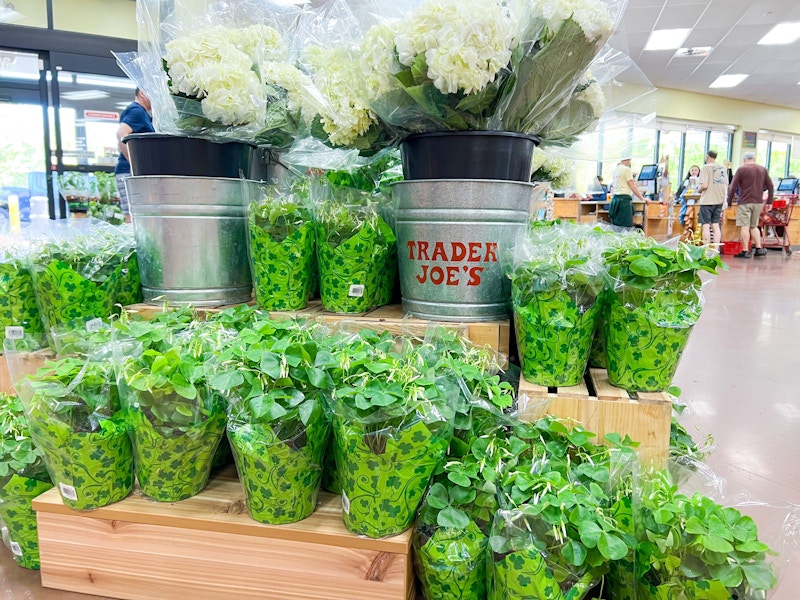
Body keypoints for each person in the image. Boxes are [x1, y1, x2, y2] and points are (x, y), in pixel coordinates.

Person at [115, 88, 154, 220]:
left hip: (128, 171)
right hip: (129, 171)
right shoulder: (137, 111)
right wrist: (134, 164)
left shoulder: (141, 113)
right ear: (142, 93)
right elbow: (121, 134)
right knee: (135, 217)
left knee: (137, 216)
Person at [727, 151, 774, 258]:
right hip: (758, 202)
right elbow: (770, 186)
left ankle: (745, 251)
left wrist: (729, 201)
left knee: (744, 226)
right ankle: (758, 248)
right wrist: (770, 201)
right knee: (754, 226)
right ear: (754, 159)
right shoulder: (762, 169)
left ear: (744, 159)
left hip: (745, 202)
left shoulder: (741, 170)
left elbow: (732, 187)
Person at [697, 150, 728, 245]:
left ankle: (706, 250)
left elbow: (705, 185)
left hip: (707, 201)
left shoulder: (705, 168)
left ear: (707, 156)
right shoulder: (723, 168)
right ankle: (715, 250)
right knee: (715, 225)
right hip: (719, 200)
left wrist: (698, 189)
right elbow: (726, 184)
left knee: (705, 225)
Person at [609, 156, 649, 227]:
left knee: (616, 228)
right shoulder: (626, 169)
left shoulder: (615, 170)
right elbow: (633, 187)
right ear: (628, 159)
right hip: (623, 201)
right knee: (625, 228)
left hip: (615, 201)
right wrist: (642, 198)